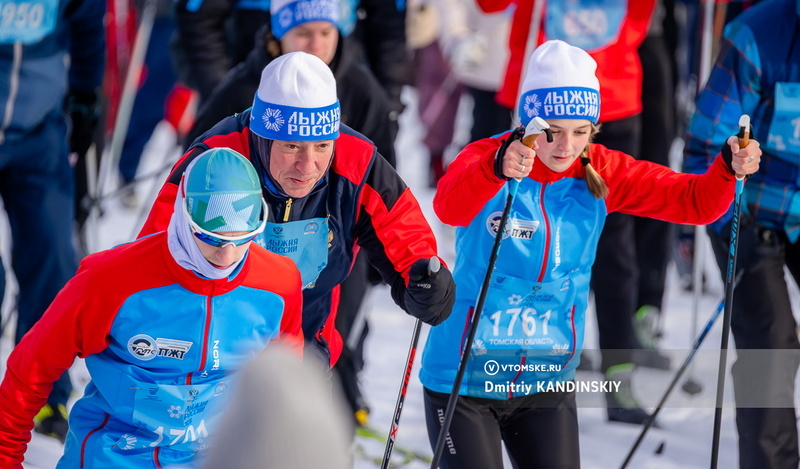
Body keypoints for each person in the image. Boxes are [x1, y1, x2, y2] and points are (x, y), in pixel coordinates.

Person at [419, 39, 762, 469]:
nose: (566, 147)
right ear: (528, 122)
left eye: (581, 132)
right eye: (554, 131)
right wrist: (495, 170)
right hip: (464, 377)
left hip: (544, 379)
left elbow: (693, 201)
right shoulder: (489, 158)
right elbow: (448, 206)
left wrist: (727, 170)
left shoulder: (600, 169)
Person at [139, 51, 455, 369]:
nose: (307, 166)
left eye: (322, 146)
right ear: (262, 137)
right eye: (291, 146)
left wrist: (427, 283)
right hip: (213, 347)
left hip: (305, 349)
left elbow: (403, 229)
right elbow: (150, 256)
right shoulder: (216, 161)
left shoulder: (356, 162)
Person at [0, 148, 304, 468]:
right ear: (184, 216)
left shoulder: (277, 285)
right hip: (112, 456)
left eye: (242, 239)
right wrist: (6, 456)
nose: (227, 256)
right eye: (211, 238)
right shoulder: (112, 279)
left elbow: (284, 383)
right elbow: (32, 366)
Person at [683, 1, 800, 467]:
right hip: (751, 212)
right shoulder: (757, 36)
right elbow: (705, 144)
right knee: (769, 343)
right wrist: (721, 217)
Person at [0, 0, 104, 442]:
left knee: (55, 258)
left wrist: (84, 95)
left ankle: (41, 394)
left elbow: (87, 27)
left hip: (38, 134)